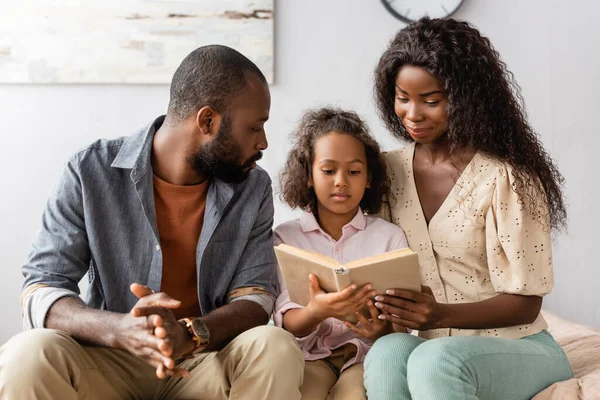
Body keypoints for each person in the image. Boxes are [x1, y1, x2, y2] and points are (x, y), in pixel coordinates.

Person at [0, 45, 304, 400]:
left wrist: (193, 333)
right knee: (27, 355)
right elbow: (41, 288)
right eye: (255, 127)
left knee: (275, 346)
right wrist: (120, 329)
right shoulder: (88, 171)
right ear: (207, 121)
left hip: (205, 362)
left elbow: (256, 297)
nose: (263, 142)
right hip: (108, 360)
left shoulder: (252, 187)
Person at [362, 17, 574, 400]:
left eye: (431, 100)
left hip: (519, 346)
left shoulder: (507, 179)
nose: (412, 114)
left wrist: (439, 315)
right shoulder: (386, 172)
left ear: (464, 97)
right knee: (389, 352)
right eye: (402, 97)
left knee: (435, 360)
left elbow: (526, 305)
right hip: (432, 344)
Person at [274, 107, 409, 400]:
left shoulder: (389, 237)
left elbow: (400, 327)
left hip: (364, 355)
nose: (340, 181)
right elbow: (285, 321)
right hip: (309, 357)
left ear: (369, 178)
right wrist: (316, 311)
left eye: (354, 171)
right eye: (328, 170)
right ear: (308, 175)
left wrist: (381, 330)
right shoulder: (285, 238)